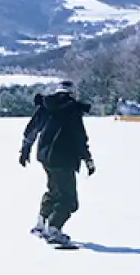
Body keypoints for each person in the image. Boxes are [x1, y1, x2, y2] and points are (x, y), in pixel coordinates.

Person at [19, 80, 96, 246]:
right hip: (64, 158)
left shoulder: (46, 105)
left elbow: (32, 128)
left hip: (46, 157)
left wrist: (25, 148)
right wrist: (88, 159)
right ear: (72, 93)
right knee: (68, 198)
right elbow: (79, 137)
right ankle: (54, 228)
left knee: (54, 190)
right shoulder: (72, 109)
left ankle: (41, 224)